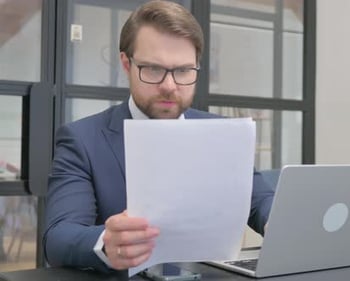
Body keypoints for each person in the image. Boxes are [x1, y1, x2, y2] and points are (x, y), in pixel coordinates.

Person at [43, 0, 274, 273]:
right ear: (126, 64)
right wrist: (106, 242)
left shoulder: (223, 132)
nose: (169, 85)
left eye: (183, 70)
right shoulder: (82, 140)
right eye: (153, 69)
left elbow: (260, 201)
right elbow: (58, 237)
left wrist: (278, 222)